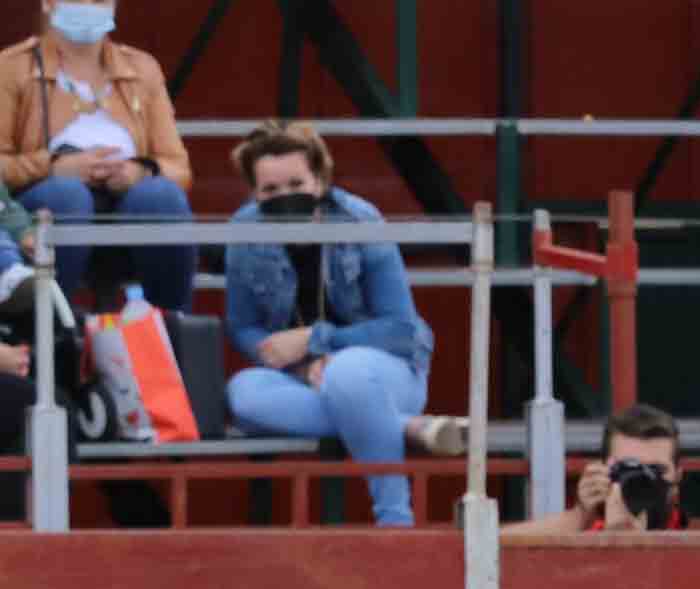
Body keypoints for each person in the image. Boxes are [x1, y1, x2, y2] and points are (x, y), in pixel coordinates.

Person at [221, 122, 469, 530]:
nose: (285, 198)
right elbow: (242, 325)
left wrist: (314, 340)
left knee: (348, 372)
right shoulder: (244, 231)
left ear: (319, 180)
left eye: (296, 183)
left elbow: (400, 329)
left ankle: (395, 520)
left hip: (387, 372)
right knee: (242, 395)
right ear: (254, 192)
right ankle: (399, 426)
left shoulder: (360, 220)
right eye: (270, 191)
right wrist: (296, 364)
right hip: (300, 378)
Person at [0, 1, 191, 313]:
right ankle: (51, 331)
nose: (90, 5)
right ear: (49, 3)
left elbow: (179, 168)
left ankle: (171, 329)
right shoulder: (12, 66)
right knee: (69, 194)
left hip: (128, 205)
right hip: (44, 204)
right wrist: (55, 167)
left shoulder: (142, 68)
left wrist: (136, 172)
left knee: (162, 195)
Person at [516, 403, 686, 535]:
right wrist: (580, 515)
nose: (643, 479)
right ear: (604, 472)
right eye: (627, 467)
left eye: (656, 469)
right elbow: (492, 552)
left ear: (678, 477)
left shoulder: (698, 548)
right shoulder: (586, 538)